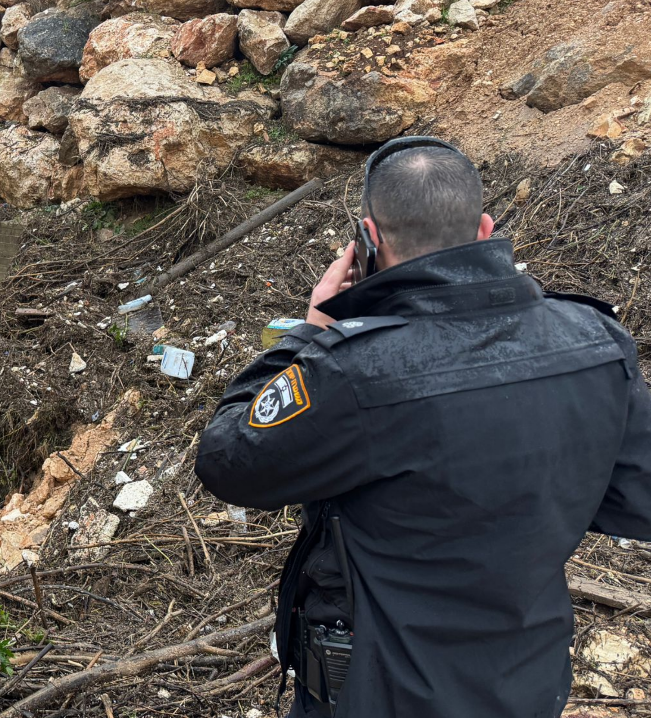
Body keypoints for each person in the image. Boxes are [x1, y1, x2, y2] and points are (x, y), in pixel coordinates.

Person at [195, 136, 651, 718]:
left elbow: (228, 461)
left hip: (384, 694)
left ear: (368, 239)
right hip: (527, 683)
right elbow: (637, 498)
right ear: (485, 230)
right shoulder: (596, 339)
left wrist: (308, 333)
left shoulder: (352, 370)